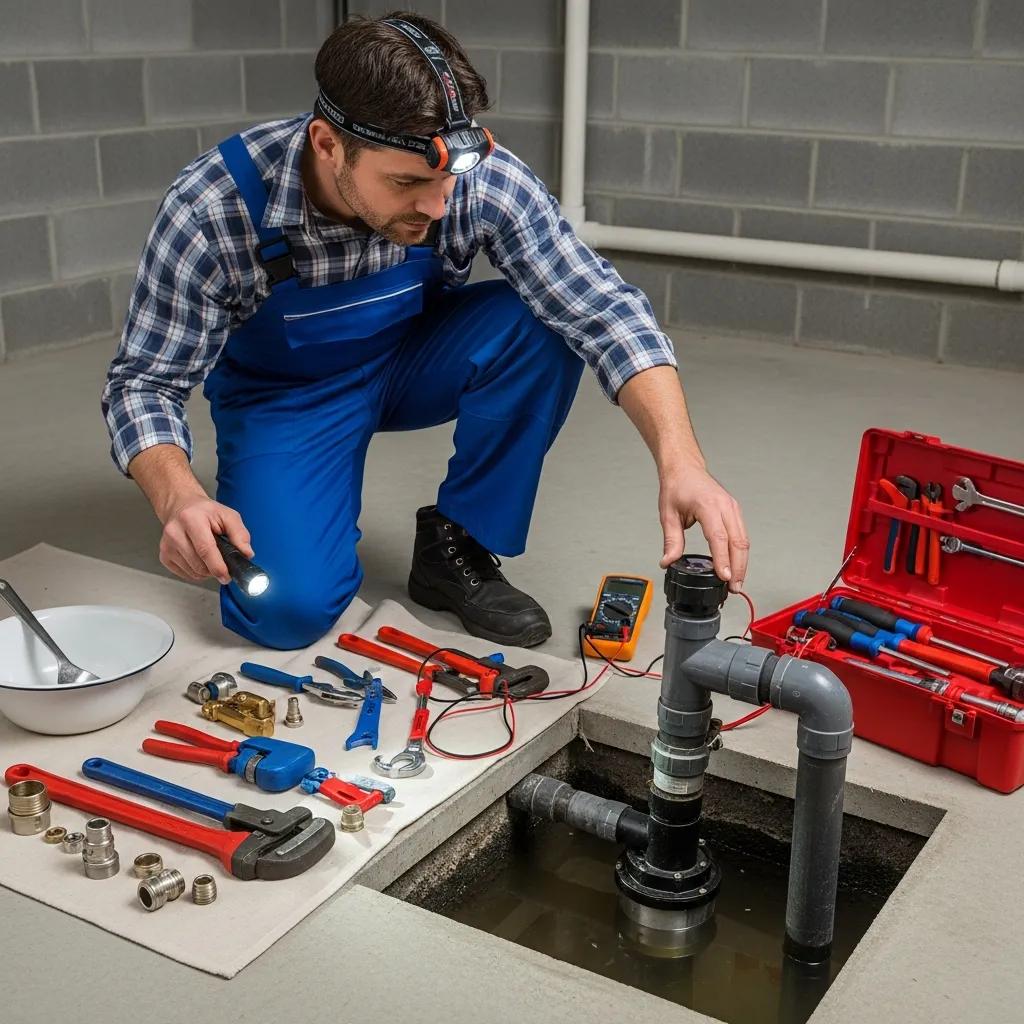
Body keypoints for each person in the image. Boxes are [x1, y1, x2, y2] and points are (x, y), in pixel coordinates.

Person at [102, 12, 748, 652]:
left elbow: (602, 309)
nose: (437, 206)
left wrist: (682, 462)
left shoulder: (476, 178)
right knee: (285, 612)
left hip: (414, 357)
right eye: (407, 183)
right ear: (328, 145)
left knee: (543, 324)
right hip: (288, 397)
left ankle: (456, 544)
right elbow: (143, 383)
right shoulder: (216, 208)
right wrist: (178, 497)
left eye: (446, 182)